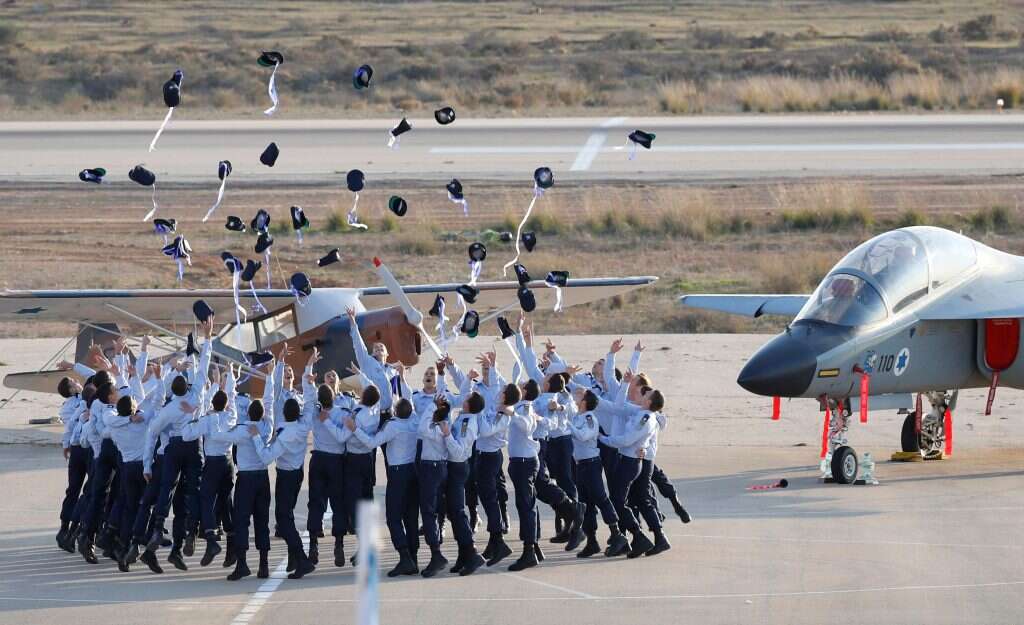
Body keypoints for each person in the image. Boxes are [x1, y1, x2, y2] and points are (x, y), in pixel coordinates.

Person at [144, 318, 213, 568]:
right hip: (193, 447)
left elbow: (152, 431)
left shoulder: (169, 408)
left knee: (167, 489)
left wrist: (147, 464)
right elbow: (203, 368)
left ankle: (159, 525)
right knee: (192, 491)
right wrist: (207, 339)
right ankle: (191, 533)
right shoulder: (196, 397)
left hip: (172, 448)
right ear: (188, 387)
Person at [210, 369, 277, 581]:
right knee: (262, 520)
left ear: (247, 413)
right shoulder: (267, 425)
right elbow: (269, 401)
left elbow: (221, 437)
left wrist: (215, 418)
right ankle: (263, 564)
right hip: (263, 477)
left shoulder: (242, 430)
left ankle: (242, 563)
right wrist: (270, 377)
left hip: (247, 478)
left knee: (241, 520)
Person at [252, 373, 315, 580]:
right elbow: (311, 402)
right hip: (297, 472)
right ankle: (295, 558)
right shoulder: (303, 425)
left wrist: (256, 438)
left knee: (283, 518)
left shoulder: (284, 434)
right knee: (286, 516)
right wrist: (308, 380)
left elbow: (266, 457)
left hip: (286, 475)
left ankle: (302, 558)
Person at [350, 397, 420, 577]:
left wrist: (355, 429)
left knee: (393, 517)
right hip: (413, 471)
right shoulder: (415, 421)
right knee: (411, 516)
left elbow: (372, 443)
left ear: (396, 412)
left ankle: (405, 557)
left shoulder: (393, 426)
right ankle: (413, 558)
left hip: (398, 473)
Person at [182, 363, 239, 567]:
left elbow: (187, 434)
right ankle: (231, 545)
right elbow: (231, 395)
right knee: (225, 503)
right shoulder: (232, 415)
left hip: (213, 463)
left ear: (211, 405)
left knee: (206, 499)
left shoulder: (208, 419)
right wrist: (230, 375)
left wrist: (192, 415)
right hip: (228, 463)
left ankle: (211, 538)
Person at [600, 375, 662, 558]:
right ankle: (638, 537)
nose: (642, 394)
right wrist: (625, 383)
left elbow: (627, 440)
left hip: (630, 462)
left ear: (649, 401)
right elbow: (619, 406)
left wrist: (604, 439)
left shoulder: (645, 418)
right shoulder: (639, 412)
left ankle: (639, 535)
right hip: (627, 460)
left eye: (646, 393)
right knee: (621, 501)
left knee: (618, 501)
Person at [302, 347, 354, 568]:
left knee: (316, 502)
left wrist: (309, 365)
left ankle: (313, 544)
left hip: (318, 460)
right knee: (338, 503)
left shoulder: (315, 412)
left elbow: (307, 391)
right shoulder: (341, 414)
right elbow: (343, 437)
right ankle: (338, 544)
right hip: (335, 461)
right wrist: (330, 422)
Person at [568, 389, 628, 558]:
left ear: (585, 402)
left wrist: (567, 425)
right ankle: (592, 541)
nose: (576, 397)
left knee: (601, 499)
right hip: (581, 465)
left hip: (591, 464)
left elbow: (583, 436)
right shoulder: (576, 416)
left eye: (579, 396)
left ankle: (617, 534)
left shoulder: (590, 419)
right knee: (586, 504)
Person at [440, 390, 486, 576]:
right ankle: (463, 554)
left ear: (469, 404)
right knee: (453, 510)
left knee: (457, 511)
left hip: (458, 467)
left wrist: (447, 435)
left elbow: (459, 450)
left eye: (466, 398)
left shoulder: (468, 422)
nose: (463, 398)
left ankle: (472, 552)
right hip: (453, 466)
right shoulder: (462, 417)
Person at [500, 383, 544, 571]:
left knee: (526, 506)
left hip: (525, 463)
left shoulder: (524, 408)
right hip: (521, 462)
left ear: (525, 392)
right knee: (527, 504)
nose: (520, 385)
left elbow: (526, 426)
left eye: (523, 385)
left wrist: (512, 414)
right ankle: (534, 547)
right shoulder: (521, 407)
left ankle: (529, 551)